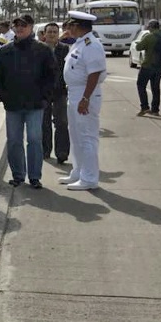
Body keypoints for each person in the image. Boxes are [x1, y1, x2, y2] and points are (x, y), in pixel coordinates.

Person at [0, 15, 56, 188]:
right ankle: (18, 175)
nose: (20, 28)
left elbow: (51, 76)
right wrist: (1, 96)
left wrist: (45, 98)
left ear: (31, 27)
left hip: (35, 104)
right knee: (13, 140)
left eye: (24, 26)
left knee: (34, 140)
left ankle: (35, 177)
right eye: (17, 25)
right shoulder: (5, 51)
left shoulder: (43, 50)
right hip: (13, 104)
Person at [59, 10, 107, 191]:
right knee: (76, 135)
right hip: (75, 92)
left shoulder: (91, 45)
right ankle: (78, 171)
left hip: (86, 93)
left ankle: (89, 178)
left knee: (87, 136)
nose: (68, 28)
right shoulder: (80, 43)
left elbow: (94, 73)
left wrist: (86, 98)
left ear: (78, 26)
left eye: (70, 25)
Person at [41, 22, 70, 164]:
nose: (52, 34)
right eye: (49, 32)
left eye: (54, 32)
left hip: (60, 92)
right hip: (43, 93)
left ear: (58, 34)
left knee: (62, 123)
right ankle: (45, 150)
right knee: (44, 123)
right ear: (44, 34)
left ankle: (62, 152)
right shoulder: (39, 50)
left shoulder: (65, 49)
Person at [135, 19, 161, 116]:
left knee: (140, 85)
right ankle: (155, 110)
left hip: (147, 66)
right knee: (156, 88)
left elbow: (138, 47)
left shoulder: (149, 37)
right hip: (159, 67)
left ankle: (145, 107)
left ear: (150, 27)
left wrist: (140, 42)